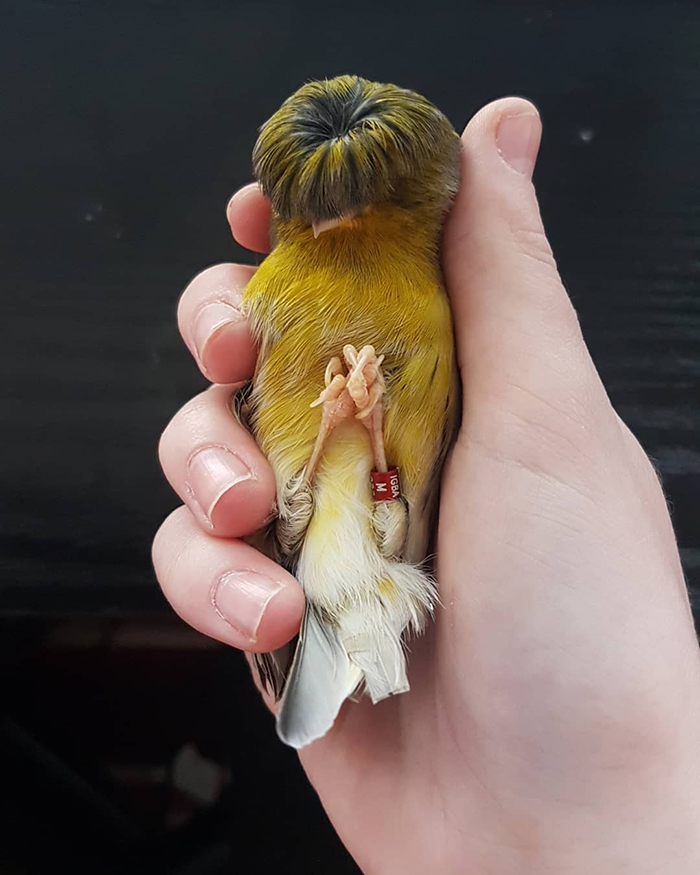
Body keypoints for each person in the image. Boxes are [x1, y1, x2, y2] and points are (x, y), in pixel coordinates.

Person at [153, 98, 700, 873]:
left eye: (373, 206)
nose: (336, 226)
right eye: (309, 213)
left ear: (430, 197)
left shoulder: (447, 291)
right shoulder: (275, 286)